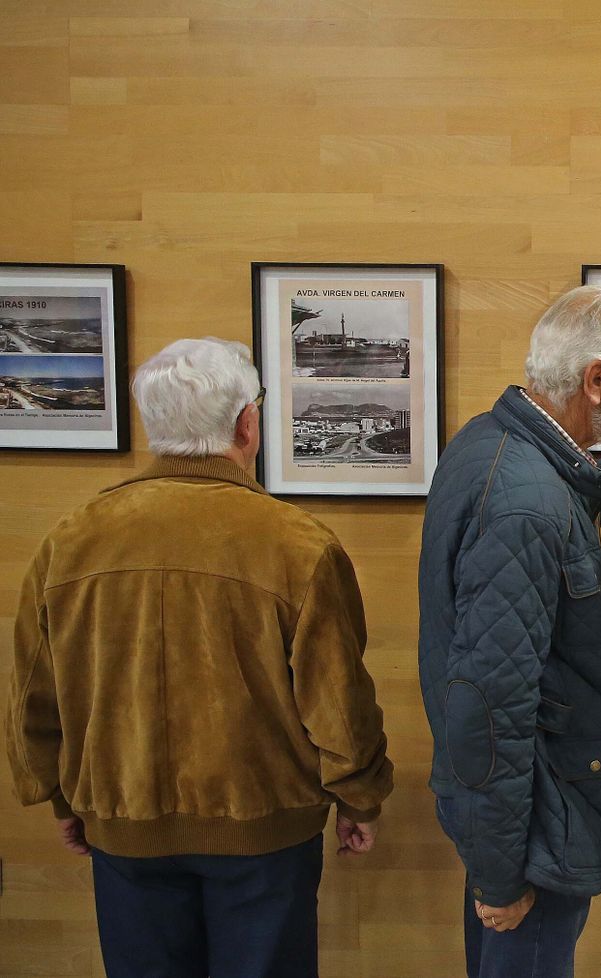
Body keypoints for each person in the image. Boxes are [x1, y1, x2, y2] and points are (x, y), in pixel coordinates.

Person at [5, 337, 393, 978]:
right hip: (264, 827)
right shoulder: (297, 544)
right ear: (247, 422)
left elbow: (33, 691)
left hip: (123, 819)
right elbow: (338, 701)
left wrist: (56, 795)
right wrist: (359, 798)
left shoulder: (70, 541)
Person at [417, 285, 601, 978]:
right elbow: (491, 711)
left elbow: (573, 503)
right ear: (595, 381)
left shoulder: (499, 445)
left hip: (516, 818)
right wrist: (503, 876)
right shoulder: (524, 507)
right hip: (534, 826)